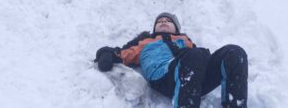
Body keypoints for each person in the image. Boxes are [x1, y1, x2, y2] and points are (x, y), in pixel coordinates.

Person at [95, 14, 248, 108]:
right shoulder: (144, 41)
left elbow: (202, 60)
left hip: (193, 75)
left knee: (234, 53)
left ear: (176, 28)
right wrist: (104, 54)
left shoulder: (185, 40)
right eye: (159, 21)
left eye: (168, 20)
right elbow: (119, 53)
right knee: (195, 55)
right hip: (164, 76)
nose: (163, 22)